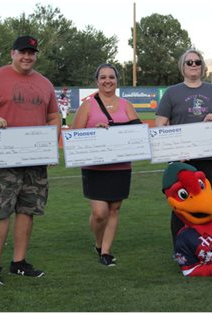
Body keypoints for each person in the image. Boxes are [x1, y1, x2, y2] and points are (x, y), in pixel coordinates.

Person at [0, 35, 61, 285]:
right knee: (0, 211)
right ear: (12, 53)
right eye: (22, 52)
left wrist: (51, 145)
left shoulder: (44, 83)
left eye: (32, 52)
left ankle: (18, 262)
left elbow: (53, 116)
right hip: (3, 157)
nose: (27, 56)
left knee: (27, 210)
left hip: (35, 158)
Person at [155, 48, 212, 246]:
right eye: (189, 62)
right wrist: (174, 150)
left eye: (197, 62)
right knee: (181, 204)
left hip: (207, 157)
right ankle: (180, 248)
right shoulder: (172, 93)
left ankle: (204, 246)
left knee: (206, 202)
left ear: (203, 66)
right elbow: (160, 124)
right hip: (181, 159)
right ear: (182, 67)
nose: (194, 65)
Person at [72, 64, 141, 267]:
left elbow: (136, 131)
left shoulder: (126, 105)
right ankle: (98, 242)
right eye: (103, 77)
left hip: (120, 166)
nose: (107, 80)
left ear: (117, 80)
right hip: (95, 167)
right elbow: (74, 136)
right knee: (99, 212)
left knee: (114, 209)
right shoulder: (88, 106)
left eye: (111, 77)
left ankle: (106, 251)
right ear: (97, 81)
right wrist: (95, 130)